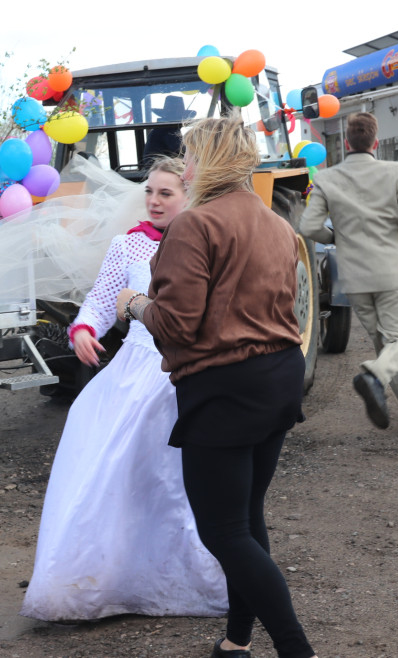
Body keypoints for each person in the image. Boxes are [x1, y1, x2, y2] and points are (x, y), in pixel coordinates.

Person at [117, 113, 318, 658]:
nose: (185, 166)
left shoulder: (195, 225)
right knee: (247, 519)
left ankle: (298, 651)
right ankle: (237, 641)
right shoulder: (277, 224)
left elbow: (178, 323)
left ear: (208, 161)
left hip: (225, 385)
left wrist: (134, 305)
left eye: (189, 155)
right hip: (279, 376)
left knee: (223, 531)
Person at [20, 156, 228, 623]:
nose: (153, 201)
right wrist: (84, 329)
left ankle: (190, 574)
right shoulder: (128, 244)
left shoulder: (207, 243)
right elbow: (101, 295)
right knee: (112, 467)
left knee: (176, 478)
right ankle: (105, 576)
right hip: (134, 369)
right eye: (149, 191)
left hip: (183, 371)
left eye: (165, 193)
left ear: (188, 197)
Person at [300, 112, 398, 439]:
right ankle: (373, 377)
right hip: (391, 272)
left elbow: (309, 227)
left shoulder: (328, 179)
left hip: (354, 278)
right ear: (375, 142)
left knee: (386, 346)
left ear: (347, 143)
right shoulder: (395, 171)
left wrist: (338, 240)